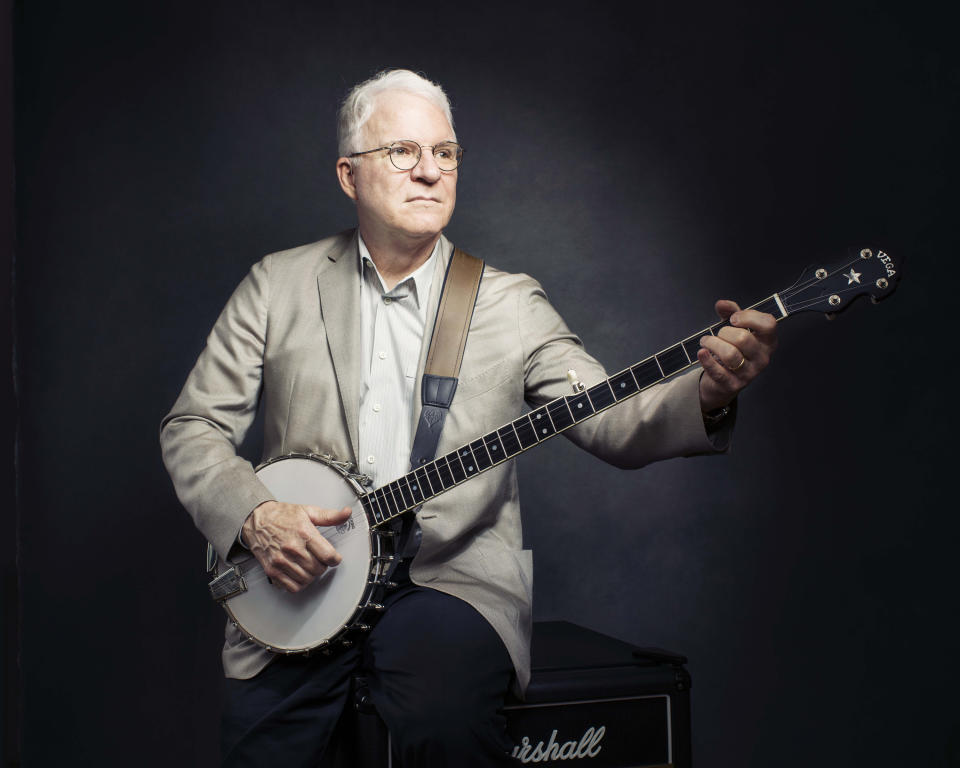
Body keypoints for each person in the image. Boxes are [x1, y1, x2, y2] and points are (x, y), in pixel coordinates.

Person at [160, 68, 778, 767]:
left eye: (445, 153)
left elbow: (615, 420)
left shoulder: (509, 304)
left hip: (447, 579)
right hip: (300, 580)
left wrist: (710, 392)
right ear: (348, 175)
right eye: (403, 151)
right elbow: (194, 428)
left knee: (442, 720)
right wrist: (254, 517)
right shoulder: (277, 285)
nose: (430, 171)